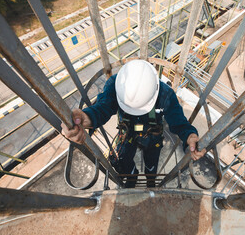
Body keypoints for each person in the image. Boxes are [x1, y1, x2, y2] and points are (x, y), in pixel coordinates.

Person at [61, 60, 206, 188]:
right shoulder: (116, 85)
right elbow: (103, 107)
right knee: (121, 160)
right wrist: (88, 117)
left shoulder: (165, 95)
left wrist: (190, 136)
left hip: (152, 136)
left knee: (151, 164)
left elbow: (178, 122)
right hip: (127, 132)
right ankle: (132, 178)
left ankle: (150, 182)